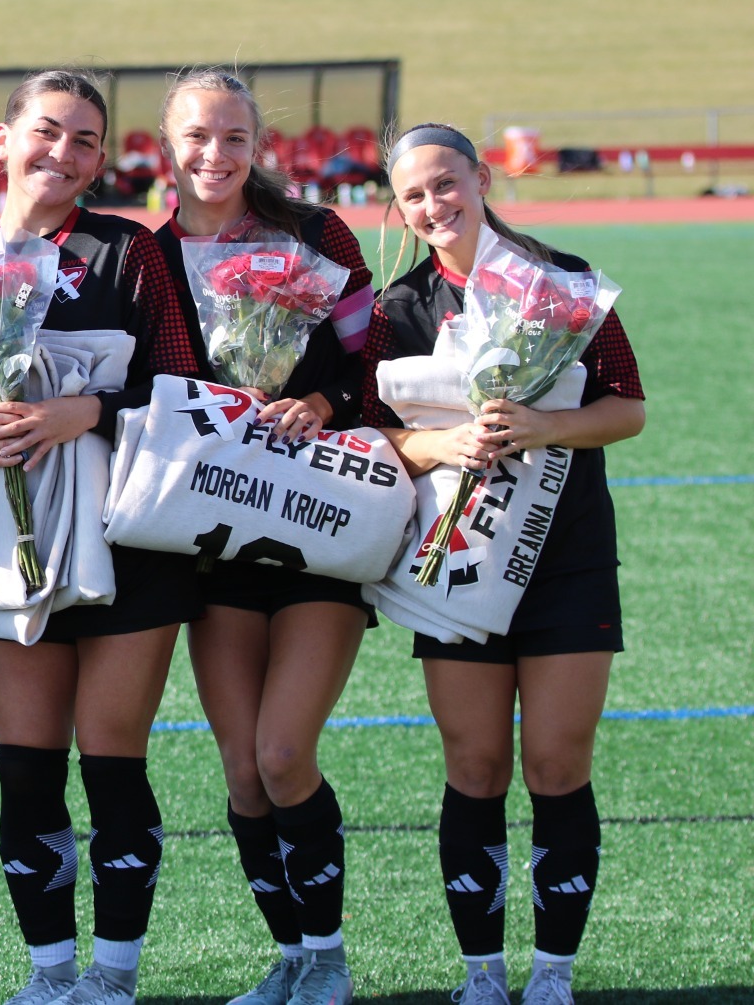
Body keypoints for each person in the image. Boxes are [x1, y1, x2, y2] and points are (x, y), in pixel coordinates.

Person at [0, 70, 203, 1005]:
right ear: (1, 139)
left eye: (87, 139)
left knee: (113, 753)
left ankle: (114, 977)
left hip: (132, 537)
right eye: (47, 131)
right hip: (14, 531)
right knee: (28, 769)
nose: (65, 151)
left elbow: (182, 385)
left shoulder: (128, 250)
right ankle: (50, 975)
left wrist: (81, 408)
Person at [362, 123, 644, 1005]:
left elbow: (628, 408)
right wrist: (438, 440)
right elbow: (371, 437)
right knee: (475, 765)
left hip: (566, 562)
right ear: (399, 210)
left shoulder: (561, 282)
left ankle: (553, 975)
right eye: (414, 195)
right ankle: (481, 974)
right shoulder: (396, 308)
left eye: (446, 183)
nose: (434, 205)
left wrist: (546, 425)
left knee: (557, 763)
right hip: (459, 568)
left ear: (481, 177)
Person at [152, 72, 375, 1005]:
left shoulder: (318, 236)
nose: (216, 155)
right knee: (244, 770)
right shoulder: (149, 253)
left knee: (285, 753)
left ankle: (328, 956)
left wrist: (321, 400)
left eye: (234, 136)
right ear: (167, 144)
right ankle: (289, 955)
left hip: (317, 524)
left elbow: (373, 349)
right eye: (198, 136)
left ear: (257, 142)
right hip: (212, 532)